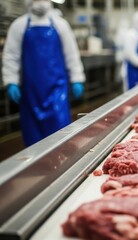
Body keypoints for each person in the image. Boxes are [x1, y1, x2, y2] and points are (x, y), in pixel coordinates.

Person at [2, 0, 85, 146]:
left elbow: (71, 54)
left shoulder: (61, 25)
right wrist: (11, 81)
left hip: (57, 91)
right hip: (31, 93)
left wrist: (77, 78)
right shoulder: (19, 25)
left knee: (61, 136)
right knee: (34, 139)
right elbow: (11, 56)